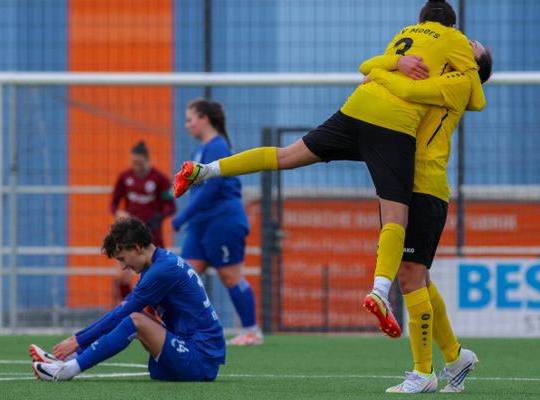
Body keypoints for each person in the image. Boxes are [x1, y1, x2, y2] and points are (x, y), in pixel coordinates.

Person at [173, 0, 485, 339]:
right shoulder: (454, 43)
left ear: (419, 19)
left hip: (355, 110)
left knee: (284, 155)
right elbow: (476, 96)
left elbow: (368, 66)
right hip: (393, 129)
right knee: (396, 216)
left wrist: (389, 66)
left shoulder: (404, 35)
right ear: (453, 28)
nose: (469, 46)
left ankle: (204, 171)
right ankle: (380, 292)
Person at [362, 37, 492, 394]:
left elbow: (401, 86)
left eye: (471, 48)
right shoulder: (437, 72)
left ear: (471, 68)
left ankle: (424, 372)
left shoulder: (454, 85)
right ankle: (455, 356)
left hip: (424, 185)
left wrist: (378, 70)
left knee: (410, 277)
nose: (462, 44)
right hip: (403, 181)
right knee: (417, 277)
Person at [29, 217, 225, 382]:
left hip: (200, 360)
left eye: (122, 258)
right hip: (191, 350)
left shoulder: (161, 271)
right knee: (135, 317)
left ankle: (68, 369)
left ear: (137, 248)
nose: (122, 266)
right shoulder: (158, 264)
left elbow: (121, 314)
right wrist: (79, 342)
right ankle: (66, 361)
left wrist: (78, 340)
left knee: (134, 320)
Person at [172, 99, 262, 346]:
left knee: (231, 276)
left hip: (222, 222)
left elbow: (210, 191)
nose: (186, 125)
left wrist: (181, 218)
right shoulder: (200, 150)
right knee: (185, 277)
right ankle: (186, 330)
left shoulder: (218, 147)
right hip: (201, 224)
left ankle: (252, 331)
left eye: (190, 119)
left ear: (204, 119)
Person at [110, 141, 175, 304]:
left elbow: (172, 207)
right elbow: (113, 204)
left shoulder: (160, 179)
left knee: (155, 279)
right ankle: (130, 310)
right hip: (129, 235)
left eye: (139, 162)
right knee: (121, 275)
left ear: (148, 160)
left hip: (152, 237)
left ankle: (154, 315)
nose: (136, 166)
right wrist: (120, 213)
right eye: (133, 162)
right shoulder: (125, 177)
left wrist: (158, 218)